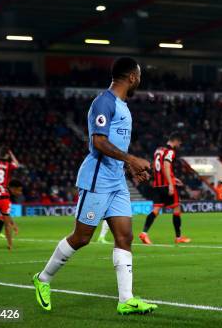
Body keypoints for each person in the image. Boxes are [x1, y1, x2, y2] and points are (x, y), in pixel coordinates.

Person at [32, 57, 157, 315]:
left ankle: (126, 299)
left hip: (116, 181)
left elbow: (115, 147)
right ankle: (43, 279)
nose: (139, 81)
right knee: (82, 237)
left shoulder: (121, 105)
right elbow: (98, 142)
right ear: (132, 77)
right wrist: (132, 158)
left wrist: (129, 166)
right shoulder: (104, 102)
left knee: (125, 237)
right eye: (139, 77)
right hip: (97, 180)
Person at [140, 132, 190, 244]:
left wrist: (173, 177)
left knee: (156, 210)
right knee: (177, 208)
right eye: (180, 142)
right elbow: (166, 166)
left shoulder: (158, 150)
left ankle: (144, 233)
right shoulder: (170, 151)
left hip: (157, 185)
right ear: (176, 141)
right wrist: (171, 183)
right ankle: (178, 238)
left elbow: (156, 166)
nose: (180, 145)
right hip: (167, 185)